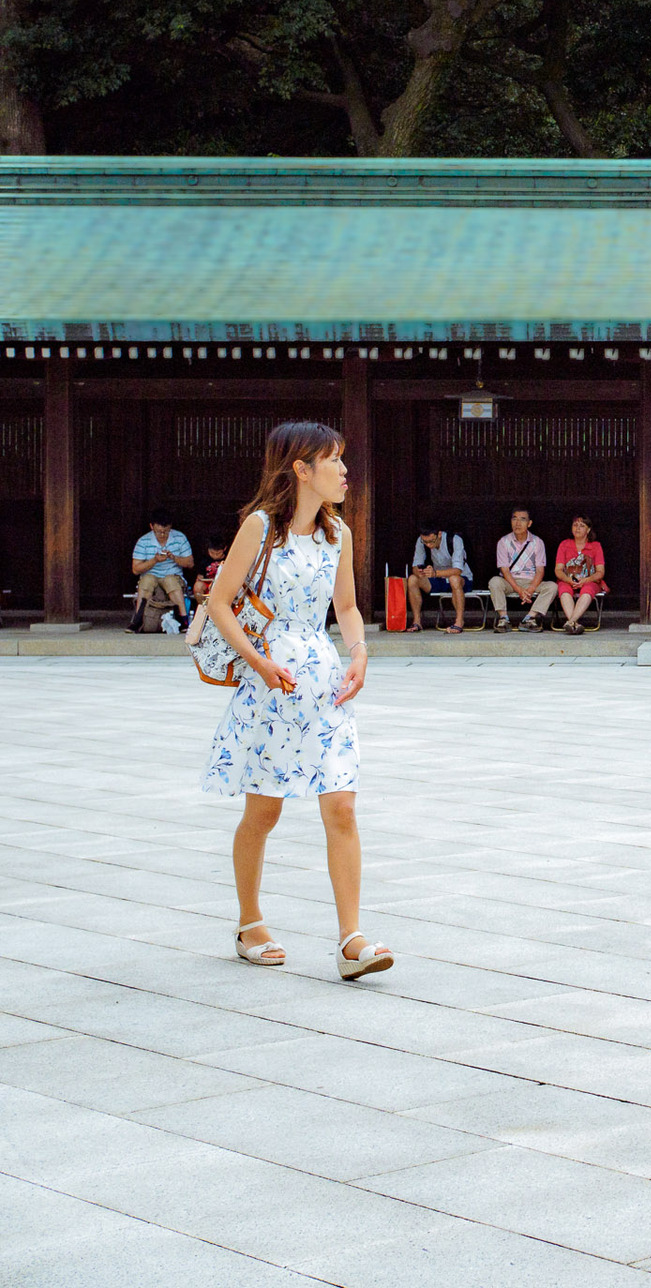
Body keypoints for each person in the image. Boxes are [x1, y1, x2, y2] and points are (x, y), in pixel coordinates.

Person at [201, 420, 392, 982]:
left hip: (324, 681)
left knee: (342, 806)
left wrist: (360, 653)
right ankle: (249, 923)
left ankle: (351, 940)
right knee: (264, 812)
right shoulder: (260, 527)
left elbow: (347, 607)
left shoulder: (339, 534)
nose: (345, 471)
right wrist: (258, 663)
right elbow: (219, 603)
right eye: (334, 460)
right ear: (301, 469)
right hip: (270, 683)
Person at [490, 507, 554, 632]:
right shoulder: (503, 541)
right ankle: (503, 618)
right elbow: (505, 570)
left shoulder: (537, 542)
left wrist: (530, 589)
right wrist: (519, 590)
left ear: (529, 523)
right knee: (494, 582)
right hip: (510, 581)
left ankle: (530, 618)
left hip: (531, 581)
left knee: (552, 587)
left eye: (522, 519)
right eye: (515, 519)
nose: (517, 523)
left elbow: (540, 571)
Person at [131, 510, 194, 631]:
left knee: (171, 580)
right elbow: (136, 569)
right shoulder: (143, 541)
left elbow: (190, 563)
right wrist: (154, 560)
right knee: (146, 581)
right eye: (159, 531)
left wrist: (174, 558)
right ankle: (137, 619)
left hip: (173, 575)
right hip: (151, 575)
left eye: (166, 531)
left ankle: (183, 619)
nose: (162, 534)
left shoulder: (180, 538)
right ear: (151, 526)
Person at [407, 525, 473, 633]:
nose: (429, 545)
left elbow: (457, 570)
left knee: (454, 579)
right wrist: (420, 572)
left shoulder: (455, 540)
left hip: (462, 579)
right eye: (425, 542)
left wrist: (435, 573)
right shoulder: (421, 541)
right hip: (439, 579)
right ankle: (417, 622)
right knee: (412, 579)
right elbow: (415, 565)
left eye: (432, 541)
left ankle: (459, 621)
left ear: (439, 534)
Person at [554, 515, 607, 635]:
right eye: (575, 525)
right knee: (563, 588)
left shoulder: (595, 546)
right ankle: (574, 624)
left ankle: (571, 621)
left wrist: (586, 580)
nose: (577, 528)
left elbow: (600, 572)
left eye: (582, 526)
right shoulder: (564, 544)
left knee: (588, 589)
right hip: (568, 580)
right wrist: (568, 579)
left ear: (588, 530)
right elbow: (558, 570)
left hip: (590, 580)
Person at [192, 540, 225, 604]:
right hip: (208, 584)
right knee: (198, 586)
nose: (215, 555)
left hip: (222, 584)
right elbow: (200, 577)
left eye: (218, 553)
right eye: (212, 553)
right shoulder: (205, 560)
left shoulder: (228, 559)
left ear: (224, 549)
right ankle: (203, 605)